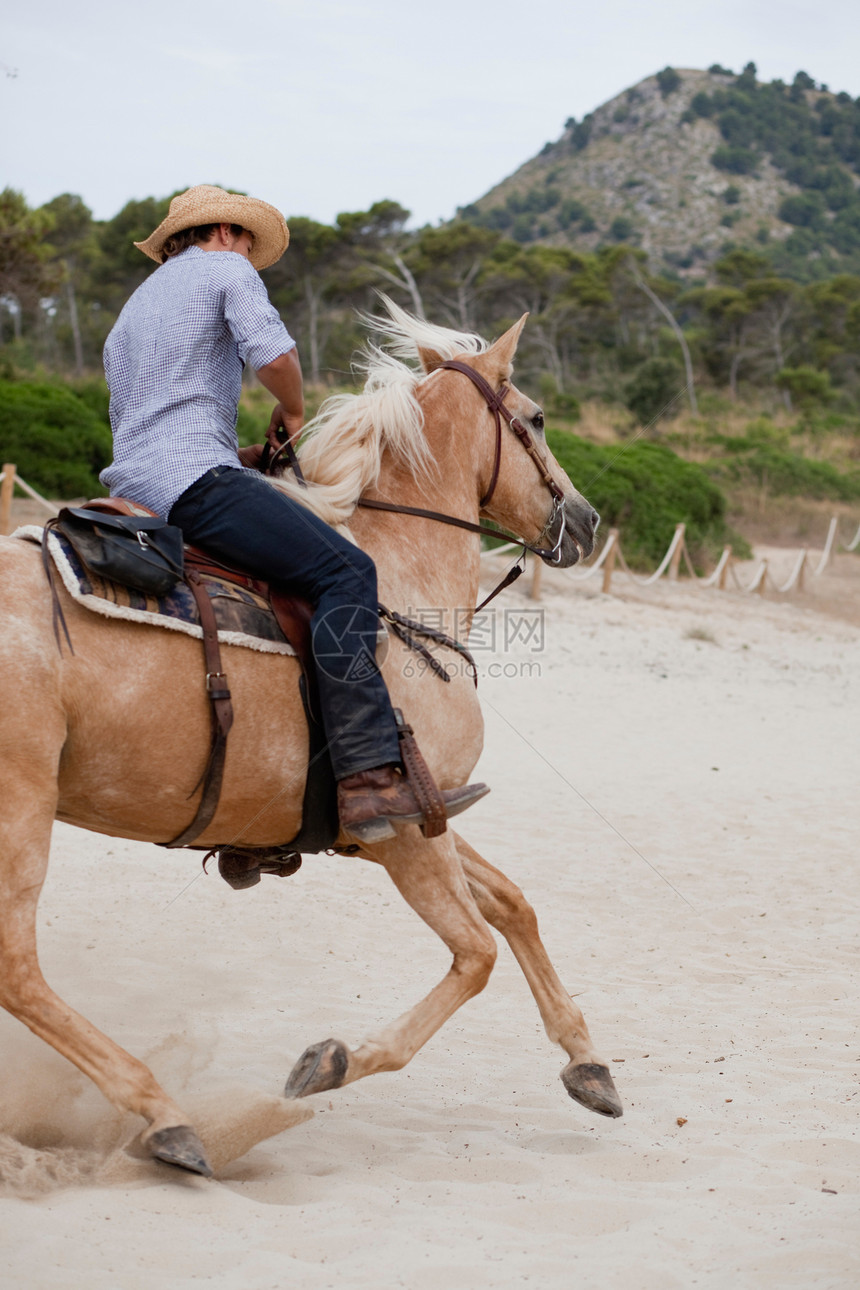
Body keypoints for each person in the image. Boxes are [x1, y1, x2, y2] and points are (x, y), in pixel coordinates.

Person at [100, 185, 487, 844]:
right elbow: (276, 357)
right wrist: (296, 410)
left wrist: (245, 452)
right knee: (346, 574)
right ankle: (366, 776)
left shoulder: (131, 311)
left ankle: (262, 808)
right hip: (195, 483)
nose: (250, 254)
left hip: (138, 487)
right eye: (248, 241)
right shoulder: (225, 269)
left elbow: (157, 418)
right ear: (223, 231)